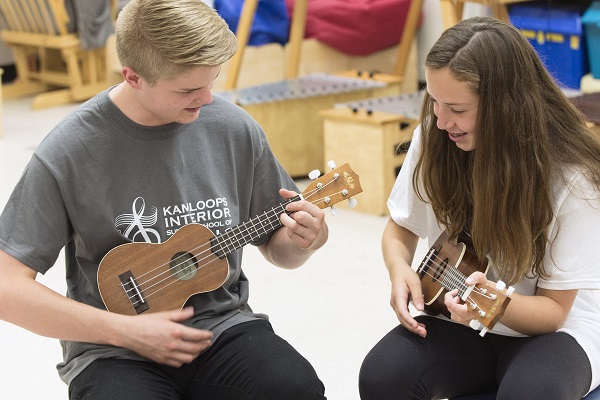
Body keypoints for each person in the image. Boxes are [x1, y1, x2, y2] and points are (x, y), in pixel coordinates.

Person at [0, 1, 329, 399]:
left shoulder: (233, 128)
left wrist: (302, 241)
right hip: (113, 349)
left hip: (220, 327)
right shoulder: (70, 149)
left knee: (297, 389)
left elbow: (280, 252)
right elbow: (7, 286)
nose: (207, 99)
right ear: (133, 77)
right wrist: (124, 331)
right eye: (188, 89)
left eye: (212, 81)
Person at [359, 16, 600, 400]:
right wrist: (400, 269)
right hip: (463, 322)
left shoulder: (573, 177)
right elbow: (400, 227)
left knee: (531, 394)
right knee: (382, 377)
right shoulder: (436, 136)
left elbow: (554, 311)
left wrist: (495, 305)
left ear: (508, 106)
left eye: (456, 107)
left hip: (555, 331)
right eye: (433, 101)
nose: (440, 121)